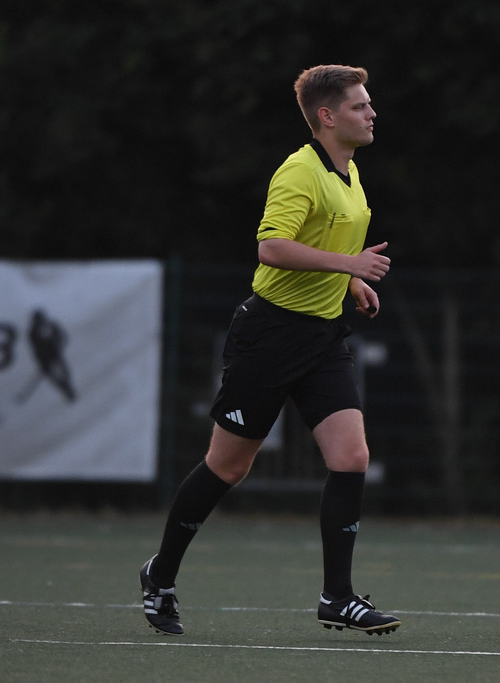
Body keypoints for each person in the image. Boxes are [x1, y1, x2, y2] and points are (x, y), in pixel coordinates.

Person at [140, 64, 400, 636]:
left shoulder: (349, 171)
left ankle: (338, 596)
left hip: (322, 336)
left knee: (351, 457)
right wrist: (350, 265)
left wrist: (350, 282)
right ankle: (160, 574)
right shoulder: (299, 171)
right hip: (269, 336)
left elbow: (323, 241)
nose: (372, 113)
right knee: (229, 466)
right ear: (327, 117)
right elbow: (272, 248)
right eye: (360, 106)